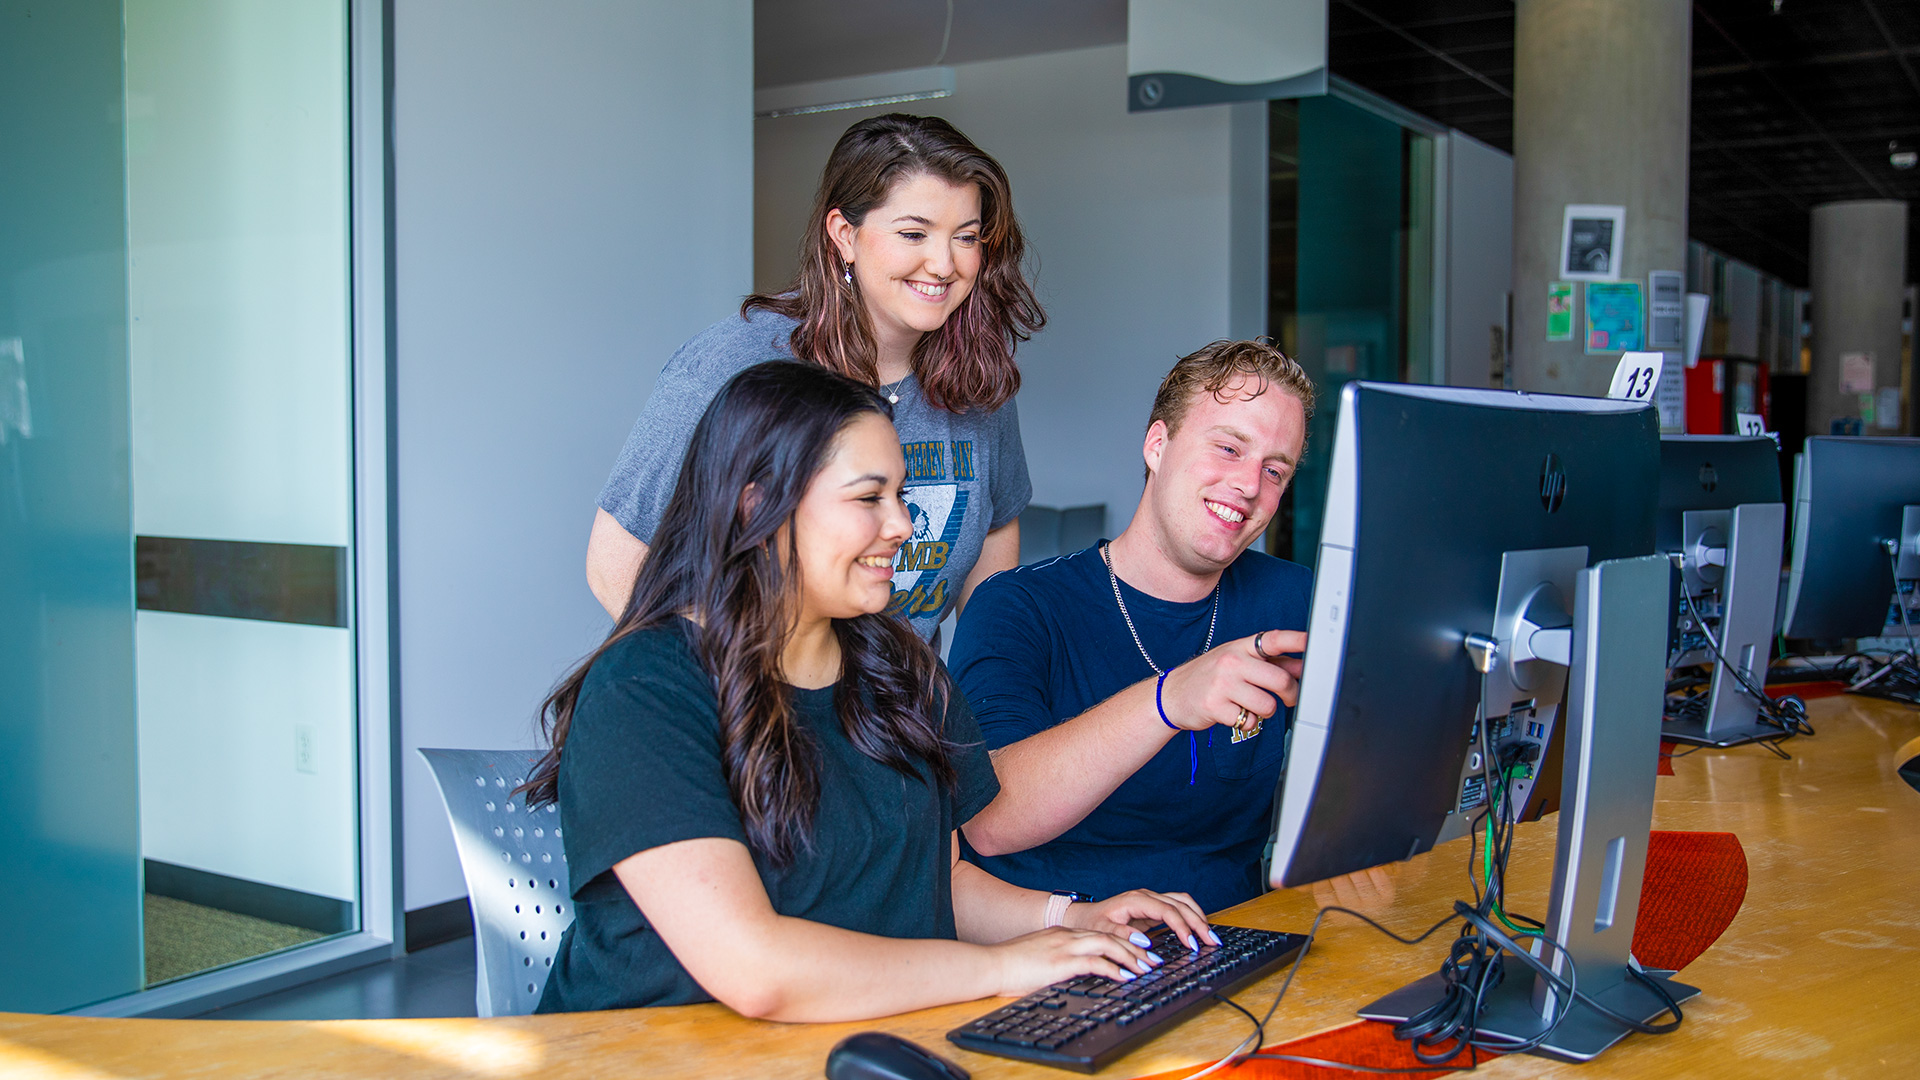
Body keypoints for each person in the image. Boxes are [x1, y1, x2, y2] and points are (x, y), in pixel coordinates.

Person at [525, 362, 1214, 1019]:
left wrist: (1068, 920)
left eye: (901, 497)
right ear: (757, 505)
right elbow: (754, 968)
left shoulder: (899, 668)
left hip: (843, 1045)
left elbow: (937, 884)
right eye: (868, 499)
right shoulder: (645, 688)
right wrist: (1006, 971)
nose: (903, 526)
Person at [586, 114, 1042, 639]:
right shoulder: (734, 363)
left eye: (966, 237)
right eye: (913, 233)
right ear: (845, 235)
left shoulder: (974, 375)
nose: (943, 264)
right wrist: (745, 694)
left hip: (897, 715)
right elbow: (616, 558)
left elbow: (993, 529)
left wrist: (984, 692)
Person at [952, 340, 1315, 916]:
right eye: (1227, 448)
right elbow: (989, 823)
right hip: (1060, 949)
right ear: (1157, 445)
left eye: (1275, 471)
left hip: (1238, 941)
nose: (1249, 485)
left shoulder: (1297, 600)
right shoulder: (1018, 606)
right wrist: (1171, 699)